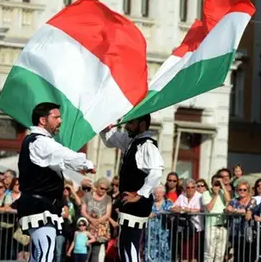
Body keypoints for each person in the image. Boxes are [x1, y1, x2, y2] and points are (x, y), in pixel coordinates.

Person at [18, 102, 95, 262]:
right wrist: (85, 163)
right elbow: (62, 154)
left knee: (39, 255)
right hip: (39, 206)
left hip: (41, 205)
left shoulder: (38, 141)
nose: (60, 121)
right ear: (43, 120)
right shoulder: (39, 142)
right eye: (56, 117)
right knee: (44, 255)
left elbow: (57, 162)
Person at [100, 114, 163, 262]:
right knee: (124, 246)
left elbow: (157, 171)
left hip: (137, 204)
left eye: (131, 123)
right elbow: (111, 140)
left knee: (130, 246)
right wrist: (103, 127)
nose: (127, 126)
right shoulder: (133, 141)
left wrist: (140, 194)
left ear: (142, 124)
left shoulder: (147, 144)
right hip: (129, 203)